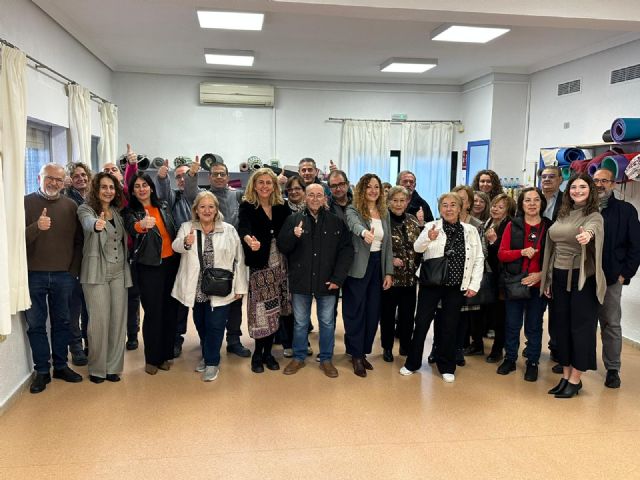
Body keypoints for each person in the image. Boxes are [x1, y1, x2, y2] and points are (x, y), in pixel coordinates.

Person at [400, 192, 483, 382]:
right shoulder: (431, 226)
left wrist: (474, 284)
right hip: (431, 284)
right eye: (444, 205)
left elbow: (479, 258)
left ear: (460, 208)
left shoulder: (470, 230)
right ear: (439, 209)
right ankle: (412, 363)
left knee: (449, 326)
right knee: (421, 323)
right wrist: (428, 238)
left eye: (453, 205)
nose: (449, 208)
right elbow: (417, 248)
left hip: (456, 286)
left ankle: (446, 365)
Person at [277, 184, 354, 378]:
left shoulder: (336, 222)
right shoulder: (293, 220)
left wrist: (338, 278)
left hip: (328, 281)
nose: (315, 199)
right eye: (311, 195)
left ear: (325, 198)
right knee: (300, 322)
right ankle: (299, 357)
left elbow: (346, 251)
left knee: (327, 322)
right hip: (300, 281)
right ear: (305, 197)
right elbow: (282, 247)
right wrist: (293, 236)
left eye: (319, 195)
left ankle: (326, 359)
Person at [540, 173, 606, 398]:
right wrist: (548, 278)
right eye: (574, 187)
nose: (577, 191)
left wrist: (587, 235)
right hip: (559, 276)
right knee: (562, 327)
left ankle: (576, 379)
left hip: (581, 278)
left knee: (580, 329)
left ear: (590, 190)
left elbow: (593, 229)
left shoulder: (594, 215)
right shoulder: (564, 213)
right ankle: (566, 375)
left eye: (583, 187)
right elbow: (553, 246)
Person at [171, 192, 248, 382]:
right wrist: (185, 243)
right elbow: (175, 246)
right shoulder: (187, 227)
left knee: (215, 325)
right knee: (201, 323)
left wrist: (240, 287)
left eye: (211, 206)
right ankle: (207, 355)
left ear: (216, 209)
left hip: (220, 286)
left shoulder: (228, 230)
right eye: (202, 207)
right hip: (196, 286)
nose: (207, 210)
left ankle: (212, 362)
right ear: (196, 210)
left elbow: (239, 259)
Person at [24, 163, 84, 393]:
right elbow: (13, 241)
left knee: (63, 323)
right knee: (36, 325)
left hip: (64, 276)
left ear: (64, 182)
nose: (54, 183)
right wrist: (36, 227)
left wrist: (73, 271)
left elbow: (79, 242)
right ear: (39, 177)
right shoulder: (25, 203)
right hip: (33, 275)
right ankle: (41, 371)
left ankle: (60, 366)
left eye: (59, 179)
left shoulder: (70, 206)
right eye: (50, 178)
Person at [184, 158, 252, 358]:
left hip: (232, 257)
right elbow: (189, 192)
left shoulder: (237, 194)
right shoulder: (204, 196)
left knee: (235, 301)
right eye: (215, 174)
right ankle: (208, 342)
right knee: (208, 302)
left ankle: (234, 340)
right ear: (209, 177)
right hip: (209, 258)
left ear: (228, 176)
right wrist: (192, 174)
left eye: (223, 174)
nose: (219, 177)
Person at [123, 171, 181, 375]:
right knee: (153, 312)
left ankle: (165, 355)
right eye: (137, 186)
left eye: (145, 185)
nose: (142, 189)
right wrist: (141, 226)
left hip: (171, 263)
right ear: (132, 191)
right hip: (149, 266)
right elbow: (132, 227)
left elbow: (172, 229)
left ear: (151, 187)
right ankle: (152, 358)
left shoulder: (163, 205)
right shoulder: (130, 211)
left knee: (170, 311)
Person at [77, 173, 132, 384]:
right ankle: (97, 368)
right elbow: (87, 222)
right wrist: (96, 224)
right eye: (103, 187)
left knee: (118, 321)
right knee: (98, 323)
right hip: (96, 272)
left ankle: (113, 367)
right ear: (96, 189)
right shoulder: (86, 209)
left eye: (111, 187)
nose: (108, 191)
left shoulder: (117, 212)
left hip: (119, 272)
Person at [238, 168, 292, 373]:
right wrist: (248, 239)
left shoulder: (281, 205)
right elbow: (243, 228)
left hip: (280, 267)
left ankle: (268, 353)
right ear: (254, 185)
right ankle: (257, 354)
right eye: (260, 182)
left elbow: (291, 227)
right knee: (261, 312)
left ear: (274, 185)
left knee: (274, 311)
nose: (264, 186)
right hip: (260, 266)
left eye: (268, 182)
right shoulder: (247, 205)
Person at [497, 187, 551, 382]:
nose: (532, 204)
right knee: (512, 325)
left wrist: (541, 275)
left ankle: (532, 362)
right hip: (515, 283)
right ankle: (510, 359)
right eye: (527, 200)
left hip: (538, 285)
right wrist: (520, 252)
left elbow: (555, 257)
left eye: (536, 200)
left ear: (542, 203)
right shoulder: (512, 225)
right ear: (521, 204)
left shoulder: (549, 227)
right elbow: (502, 254)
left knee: (534, 326)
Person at [343, 173, 394, 377]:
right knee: (355, 311)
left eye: (376, 187)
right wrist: (365, 233)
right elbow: (353, 224)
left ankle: (363, 352)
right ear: (361, 189)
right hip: (358, 266)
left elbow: (388, 244)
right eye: (368, 187)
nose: (373, 190)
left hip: (377, 266)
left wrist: (388, 272)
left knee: (373, 313)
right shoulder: (353, 209)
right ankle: (355, 355)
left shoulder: (384, 212)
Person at [593, 168, 640, 388]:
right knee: (582, 322)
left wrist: (624, 274)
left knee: (610, 324)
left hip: (611, 278)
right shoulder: (582, 209)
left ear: (613, 184)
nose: (599, 185)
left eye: (604, 181)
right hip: (584, 276)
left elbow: (636, 246)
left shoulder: (626, 210)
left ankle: (613, 369)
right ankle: (576, 362)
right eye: (596, 180)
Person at [380, 186, 422, 362]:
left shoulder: (412, 220)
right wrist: (391, 260)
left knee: (407, 316)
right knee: (388, 316)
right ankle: (387, 348)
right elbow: (379, 247)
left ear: (407, 202)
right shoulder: (383, 220)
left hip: (410, 279)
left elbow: (419, 245)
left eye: (402, 201)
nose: (398, 204)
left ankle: (405, 345)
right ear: (388, 202)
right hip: (390, 278)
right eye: (395, 200)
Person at [156, 158, 193, 358]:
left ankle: (208, 341)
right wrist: (163, 178)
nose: (181, 179)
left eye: (185, 175)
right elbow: (163, 192)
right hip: (179, 254)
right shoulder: (174, 198)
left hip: (203, 256)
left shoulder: (201, 196)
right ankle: (176, 338)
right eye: (178, 176)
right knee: (178, 299)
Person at [62, 161, 92, 367]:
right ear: (70, 180)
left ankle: (91, 343)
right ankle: (76, 347)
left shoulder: (95, 197)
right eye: (76, 176)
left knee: (90, 308)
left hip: (92, 259)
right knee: (74, 308)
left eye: (83, 175)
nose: (80, 178)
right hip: (72, 260)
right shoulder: (66, 198)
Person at [539, 165, 564, 371]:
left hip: (557, 259)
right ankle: (532, 345)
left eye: (551, 176)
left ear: (560, 179)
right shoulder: (533, 198)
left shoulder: (567, 201)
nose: (547, 179)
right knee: (534, 309)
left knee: (557, 310)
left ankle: (556, 348)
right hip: (535, 258)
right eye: (544, 176)